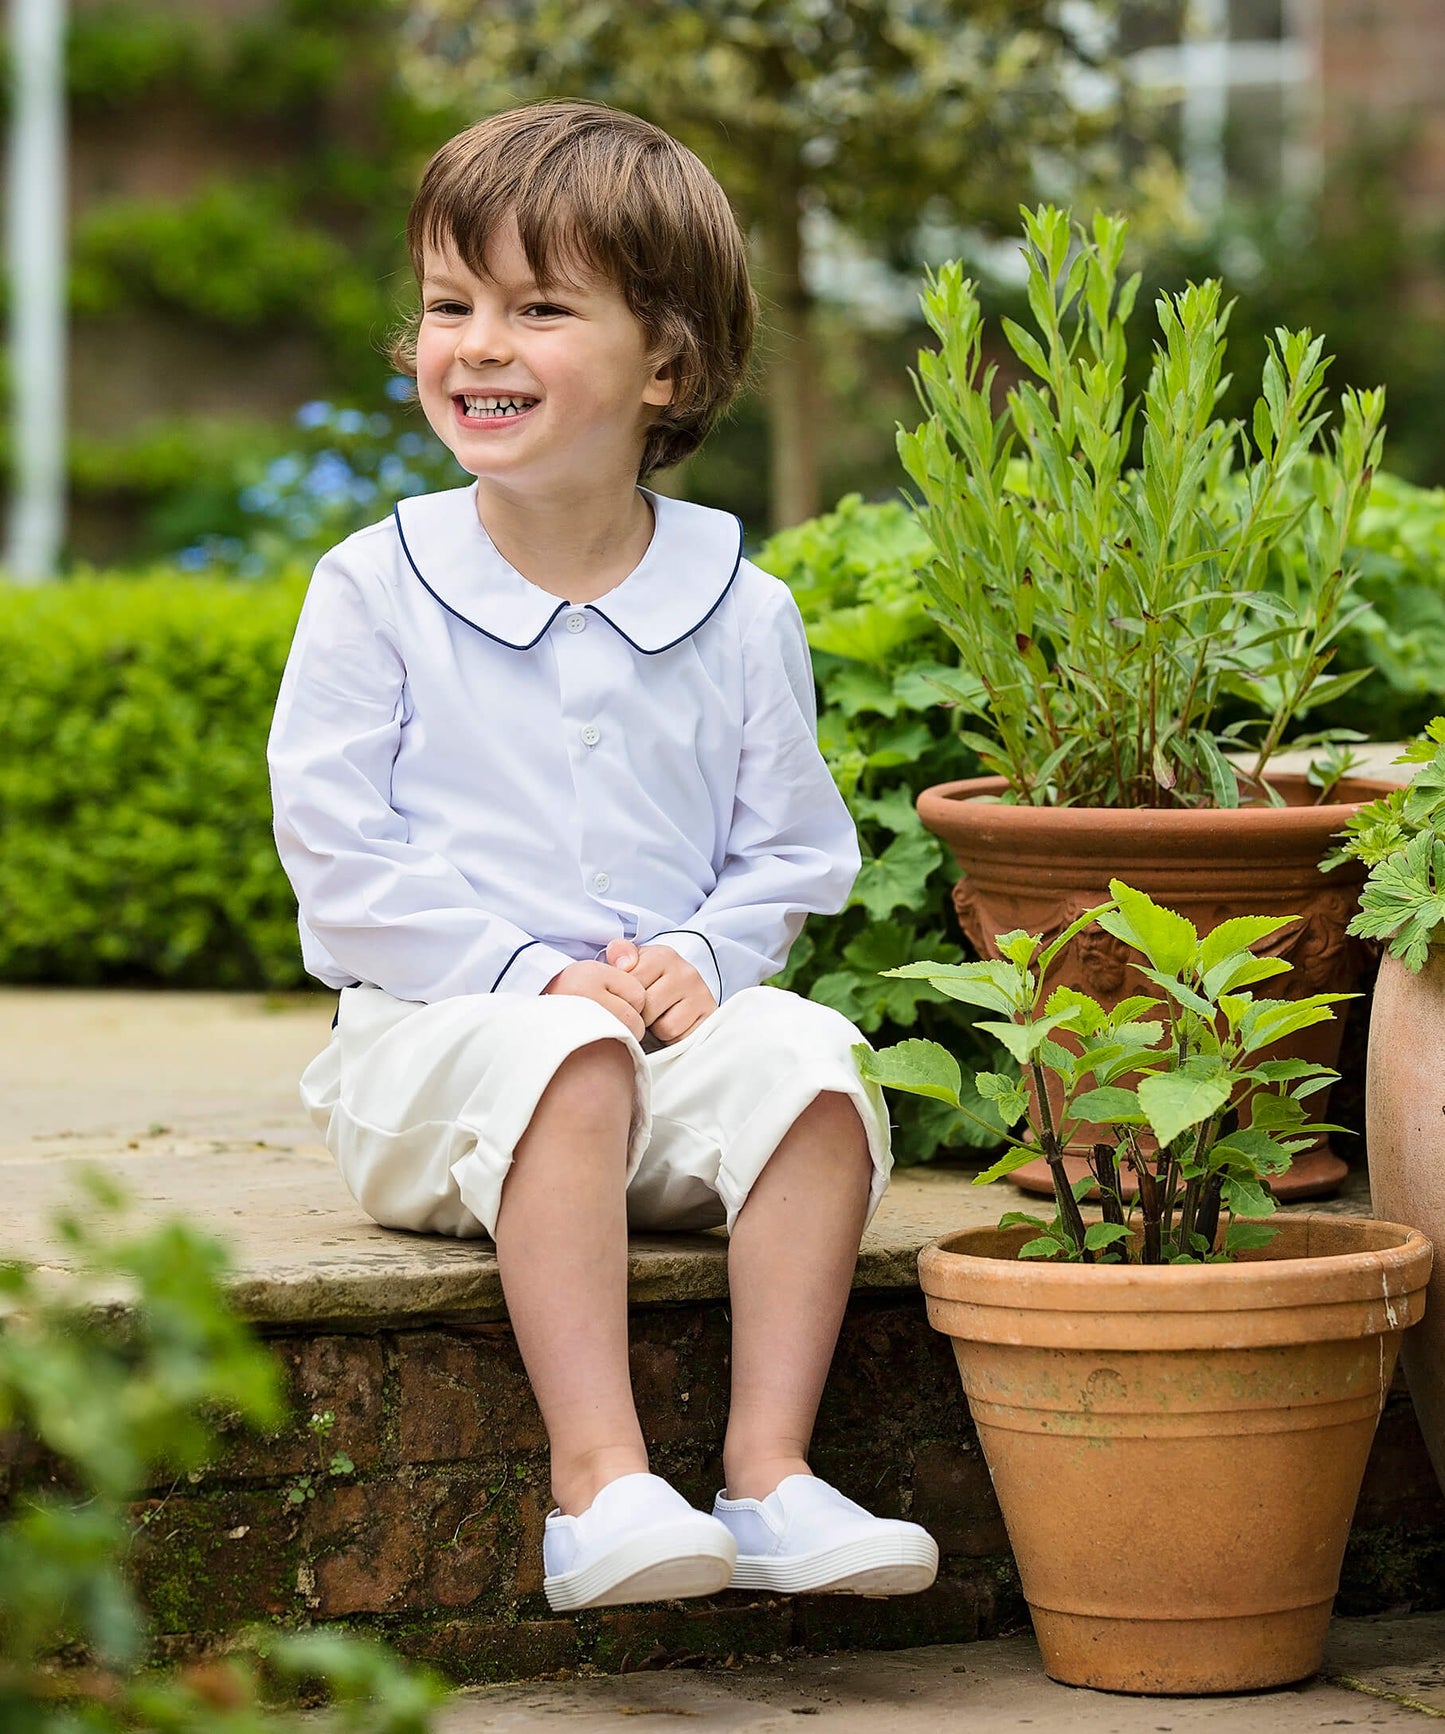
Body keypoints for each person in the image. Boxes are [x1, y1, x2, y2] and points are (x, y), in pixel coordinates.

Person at [267, 100, 938, 1614]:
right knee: (565, 1045)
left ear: (668, 365)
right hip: (433, 1064)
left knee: (819, 1060)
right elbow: (336, 849)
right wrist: (529, 974)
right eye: (451, 304)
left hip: (654, 1060)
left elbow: (786, 850)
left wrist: (702, 960)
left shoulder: (738, 605)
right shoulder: (376, 584)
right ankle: (597, 1483)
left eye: (537, 308)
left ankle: (769, 1477)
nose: (476, 343)